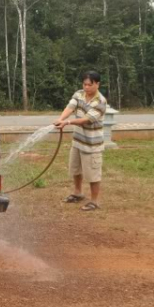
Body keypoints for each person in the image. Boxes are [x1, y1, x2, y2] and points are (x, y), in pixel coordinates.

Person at [53, 71, 107, 211]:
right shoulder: (79, 94)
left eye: (90, 84)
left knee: (93, 174)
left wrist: (68, 122)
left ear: (97, 84)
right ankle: (78, 193)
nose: (87, 87)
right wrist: (61, 119)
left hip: (91, 145)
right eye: (85, 84)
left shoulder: (100, 101)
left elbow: (86, 120)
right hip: (77, 141)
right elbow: (70, 107)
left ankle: (94, 202)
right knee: (76, 169)